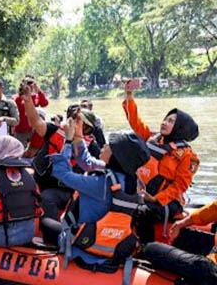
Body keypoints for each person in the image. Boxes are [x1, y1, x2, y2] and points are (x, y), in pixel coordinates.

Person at [50, 124, 149, 271]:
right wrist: (79, 136)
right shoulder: (132, 181)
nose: (104, 145)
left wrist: (68, 142)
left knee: (47, 224)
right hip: (113, 248)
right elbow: (87, 162)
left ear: (116, 156)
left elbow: (61, 172)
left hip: (84, 249)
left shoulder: (100, 183)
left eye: (109, 145)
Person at [21, 84, 102, 243]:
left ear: (86, 128)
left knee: (48, 197)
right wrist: (28, 101)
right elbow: (36, 121)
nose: (72, 122)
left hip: (67, 191)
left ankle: (55, 238)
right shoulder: (54, 131)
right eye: (74, 119)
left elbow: (94, 170)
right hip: (43, 181)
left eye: (78, 121)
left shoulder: (91, 147)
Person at [122, 78, 200, 243]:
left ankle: (146, 246)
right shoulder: (152, 138)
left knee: (142, 212)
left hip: (168, 201)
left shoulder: (187, 155)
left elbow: (179, 186)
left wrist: (155, 199)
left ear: (180, 127)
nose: (164, 122)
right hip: (144, 193)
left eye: (171, 121)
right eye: (165, 119)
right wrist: (129, 94)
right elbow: (134, 121)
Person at [140, 201, 217, 283]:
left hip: (211, 271)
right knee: (182, 237)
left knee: (151, 248)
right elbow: (213, 209)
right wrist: (181, 223)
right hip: (213, 254)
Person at [12, 75, 49, 146]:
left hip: (35, 130)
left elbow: (45, 104)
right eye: (27, 83)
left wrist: (38, 90)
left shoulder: (36, 96)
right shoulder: (17, 98)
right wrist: (23, 92)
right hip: (21, 130)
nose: (30, 85)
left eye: (31, 83)